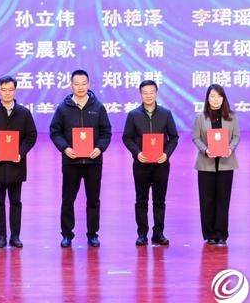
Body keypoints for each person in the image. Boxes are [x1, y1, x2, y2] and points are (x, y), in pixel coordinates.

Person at [50, 69, 112, 248]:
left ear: (89, 84)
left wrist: (100, 148)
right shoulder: (63, 108)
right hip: (71, 161)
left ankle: (93, 234)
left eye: (84, 83)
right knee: (68, 199)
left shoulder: (98, 107)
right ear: (71, 85)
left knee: (93, 199)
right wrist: (65, 148)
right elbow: (55, 131)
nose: (80, 87)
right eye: (76, 84)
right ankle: (67, 234)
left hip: (93, 161)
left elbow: (106, 132)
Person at [0, 76, 38, 248]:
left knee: (16, 202)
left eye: (10, 90)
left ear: (15, 90)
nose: (7, 93)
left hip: (17, 164)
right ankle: (1, 237)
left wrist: (21, 152)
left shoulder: (24, 113)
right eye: (4, 90)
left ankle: (15, 236)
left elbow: (31, 136)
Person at [122, 80, 180, 246]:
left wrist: (166, 154)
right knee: (141, 200)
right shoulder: (133, 115)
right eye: (145, 93)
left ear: (156, 93)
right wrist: (137, 153)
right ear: (141, 94)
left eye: (151, 92)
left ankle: (158, 233)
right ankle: (142, 234)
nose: (148, 96)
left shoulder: (165, 114)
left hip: (161, 164)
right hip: (141, 164)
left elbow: (174, 137)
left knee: (159, 200)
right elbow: (127, 137)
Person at [193, 83, 239, 246]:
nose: (216, 100)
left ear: (223, 98)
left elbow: (236, 136)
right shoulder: (200, 117)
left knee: (223, 199)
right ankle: (209, 234)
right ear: (207, 99)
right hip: (206, 163)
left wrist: (230, 148)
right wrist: (205, 150)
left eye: (219, 96)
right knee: (206, 200)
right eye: (212, 96)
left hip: (226, 163)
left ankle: (221, 234)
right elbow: (196, 137)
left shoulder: (231, 117)